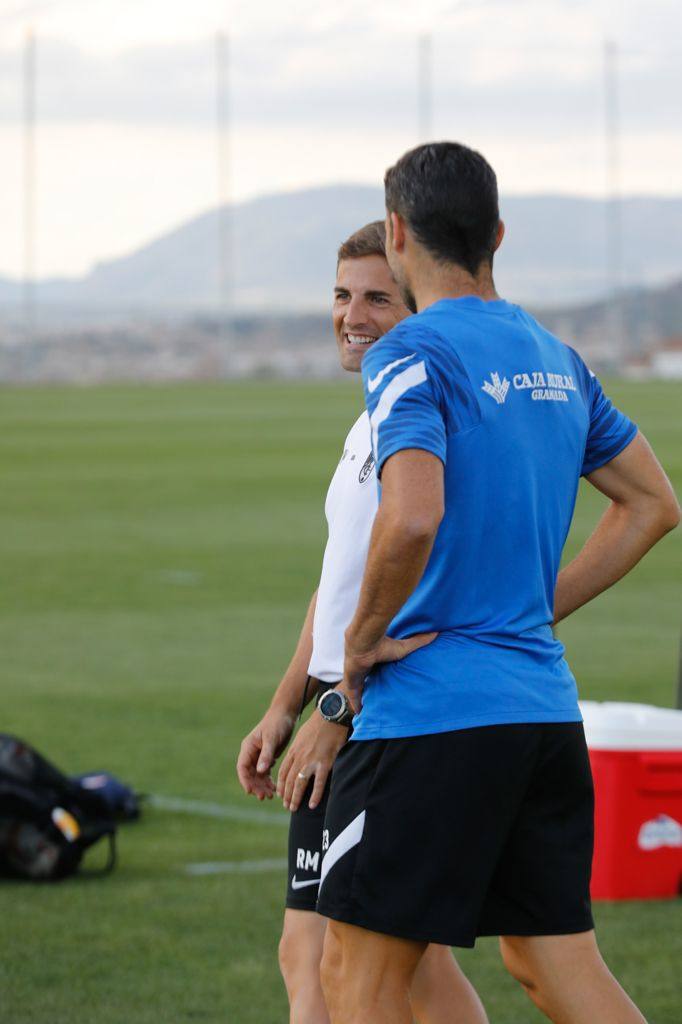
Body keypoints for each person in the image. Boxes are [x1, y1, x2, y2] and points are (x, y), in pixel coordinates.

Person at [278, 143, 680, 1024]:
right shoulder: (557, 356)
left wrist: (358, 647)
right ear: (497, 234)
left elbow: (411, 517)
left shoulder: (410, 352)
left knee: (355, 975)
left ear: (395, 233)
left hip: (429, 719)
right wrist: (535, 609)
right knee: (553, 968)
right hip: (543, 714)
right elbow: (653, 505)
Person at [237, 220, 488, 1024]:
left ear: (418, 306)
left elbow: (414, 579)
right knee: (336, 956)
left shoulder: (418, 420)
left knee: (375, 963)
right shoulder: (371, 416)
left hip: (381, 717)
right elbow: (338, 583)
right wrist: (284, 704)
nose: (353, 316)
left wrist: (337, 711)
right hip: (339, 708)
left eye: (378, 298)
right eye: (343, 295)